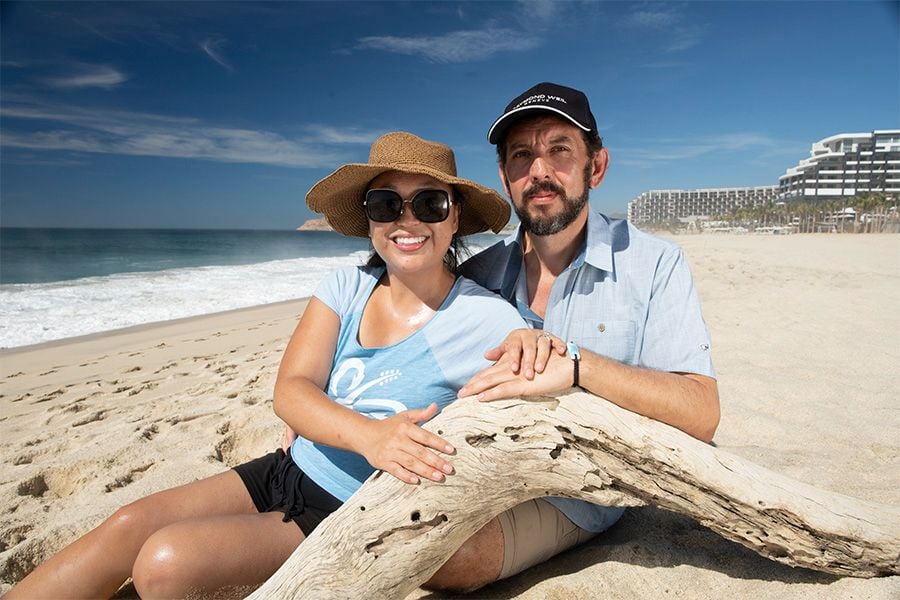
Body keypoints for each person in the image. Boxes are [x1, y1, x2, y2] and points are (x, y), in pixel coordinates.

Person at [5, 132, 527, 600]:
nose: (406, 221)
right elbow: (291, 390)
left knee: (167, 564)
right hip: (287, 469)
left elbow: (547, 383)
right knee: (126, 524)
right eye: (387, 204)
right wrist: (370, 436)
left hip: (351, 514)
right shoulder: (345, 289)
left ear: (455, 217)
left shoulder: (484, 318)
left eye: (430, 204)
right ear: (370, 219)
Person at [426, 82, 721, 592]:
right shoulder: (478, 274)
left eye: (559, 150)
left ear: (596, 167)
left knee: (443, 558)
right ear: (504, 177)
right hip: (475, 462)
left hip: (579, 489)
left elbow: (701, 412)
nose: (540, 170)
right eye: (522, 155)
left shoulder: (653, 264)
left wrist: (580, 365)